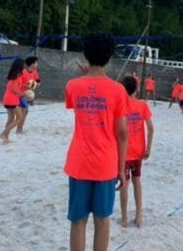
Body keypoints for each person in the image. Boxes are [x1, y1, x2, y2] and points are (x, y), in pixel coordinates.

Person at [65, 33, 128, 251]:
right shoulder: (119, 90)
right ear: (110, 58)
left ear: (85, 54)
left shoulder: (72, 86)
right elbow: (122, 133)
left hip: (79, 162)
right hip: (106, 164)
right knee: (102, 220)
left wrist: (87, 74)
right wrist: (121, 169)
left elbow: (86, 93)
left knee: (78, 220)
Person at [119, 76, 154, 228]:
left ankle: (125, 217)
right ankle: (139, 215)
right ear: (136, 89)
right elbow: (151, 128)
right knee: (137, 181)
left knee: (124, 185)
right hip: (139, 151)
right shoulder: (142, 105)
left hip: (124, 153)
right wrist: (148, 148)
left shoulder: (120, 106)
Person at [0, 58, 28, 143]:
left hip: (7, 99)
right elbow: (14, 89)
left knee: (10, 119)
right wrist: (23, 94)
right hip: (12, 100)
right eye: (23, 65)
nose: (24, 67)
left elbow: (17, 87)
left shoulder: (13, 75)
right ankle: (3, 133)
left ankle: (5, 138)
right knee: (19, 118)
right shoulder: (17, 76)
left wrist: (26, 88)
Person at [16, 56, 41, 133]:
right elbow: (17, 85)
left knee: (25, 112)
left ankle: (19, 129)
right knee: (24, 111)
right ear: (32, 64)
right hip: (21, 94)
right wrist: (27, 86)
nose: (37, 64)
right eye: (36, 63)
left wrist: (35, 85)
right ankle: (19, 129)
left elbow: (38, 82)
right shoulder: (23, 72)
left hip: (29, 94)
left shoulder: (35, 72)